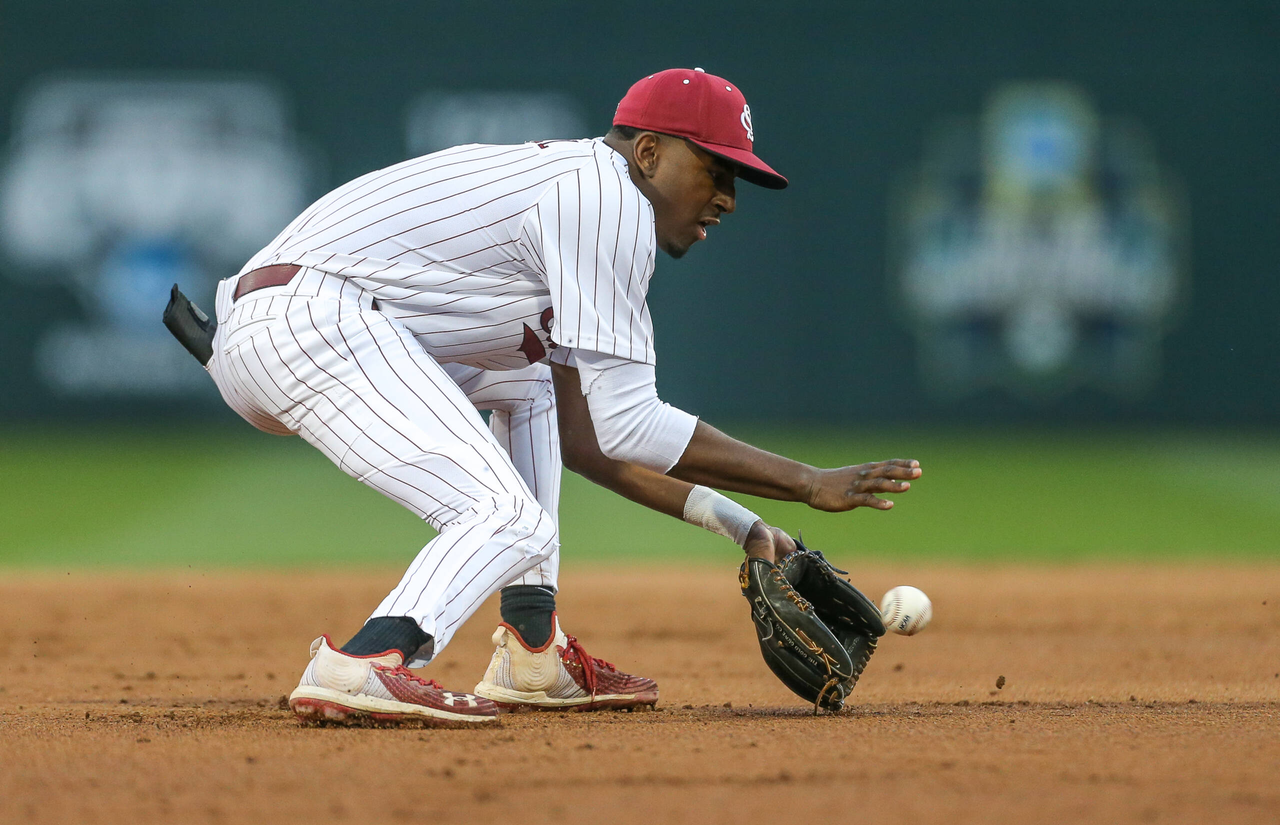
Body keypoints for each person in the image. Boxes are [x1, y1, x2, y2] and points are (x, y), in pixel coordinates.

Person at [203, 67, 922, 726]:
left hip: (292, 328)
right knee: (507, 516)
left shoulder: (583, 201)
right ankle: (366, 660)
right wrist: (807, 482)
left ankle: (533, 652)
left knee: (533, 390)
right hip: (313, 323)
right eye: (715, 169)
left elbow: (592, 442)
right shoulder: (607, 201)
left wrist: (746, 527)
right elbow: (633, 425)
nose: (728, 198)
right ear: (649, 154)